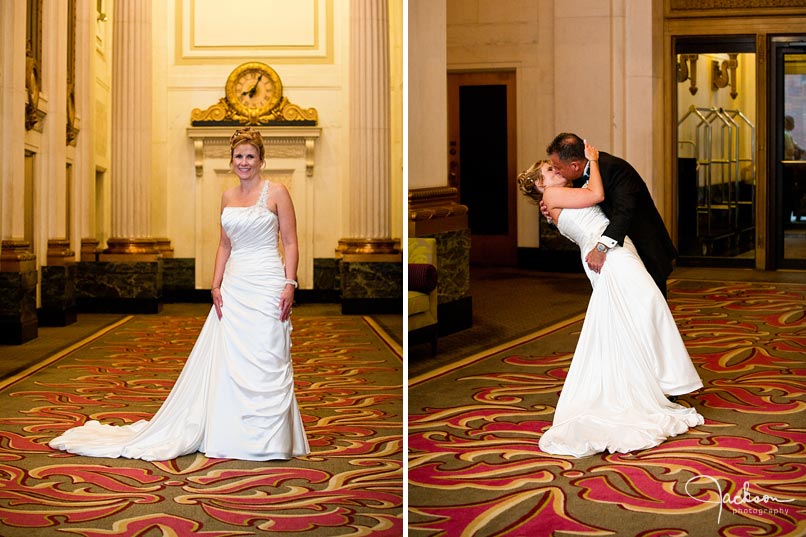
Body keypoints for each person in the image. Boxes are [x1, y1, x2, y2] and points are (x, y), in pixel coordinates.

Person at [50, 128, 310, 461]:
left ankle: (270, 440)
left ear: (261, 160)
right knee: (231, 360)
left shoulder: (277, 192)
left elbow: (290, 241)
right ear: (231, 161)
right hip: (235, 286)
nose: (244, 162)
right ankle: (233, 433)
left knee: (268, 354)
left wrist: (290, 283)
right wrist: (215, 285)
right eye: (239, 156)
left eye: (250, 156)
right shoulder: (227, 197)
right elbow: (224, 244)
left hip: (268, 283)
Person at [517, 141, 703, 458]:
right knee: (648, 307)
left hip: (612, 251)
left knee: (633, 318)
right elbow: (597, 197)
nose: (557, 170)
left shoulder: (559, 195)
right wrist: (594, 160)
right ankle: (654, 385)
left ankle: (649, 383)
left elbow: (594, 200)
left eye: (556, 165)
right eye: (550, 170)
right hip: (608, 256)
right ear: (540, 185)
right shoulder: (553, 195)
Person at [543, 133, 677, 298]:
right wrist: (552, 216)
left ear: (574, 166)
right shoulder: (572, 179)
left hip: (642, 246)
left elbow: (624, 212)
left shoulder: (613, 168)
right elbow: (576, 214)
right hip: (610, 253)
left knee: (649, 304)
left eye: (558, 167)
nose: (556, 171)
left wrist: (601, 248)